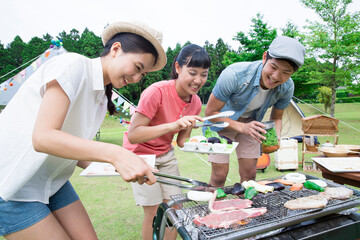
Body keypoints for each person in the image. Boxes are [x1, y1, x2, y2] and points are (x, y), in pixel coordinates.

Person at [0, 21, 167, 240]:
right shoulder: (73, 65)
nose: (136, 79)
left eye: (142, 74)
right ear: (115, 49)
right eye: (137, 68)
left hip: (53, 182)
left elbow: (76, 152)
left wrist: (127, 164)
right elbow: (42, 138)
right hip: (13, 184)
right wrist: (116, 153)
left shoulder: (101, 97)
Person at [123, 44, 211, 240]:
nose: (198, 80)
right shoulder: (157, 92)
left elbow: (181, 141)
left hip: (165, 154)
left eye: (203, 74)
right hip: (140, 155)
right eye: (193, 72)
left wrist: (201, 141)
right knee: (154, 212)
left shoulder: (195, 102)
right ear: (178, 68)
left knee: (175, 208)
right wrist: (173, 125)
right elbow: (134, 134)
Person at [203, 36, 305, 186]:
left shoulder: (287, 87)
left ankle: (246, 208)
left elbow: (277, 117)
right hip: (221, 124)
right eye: (273, 67)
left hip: (251, 125)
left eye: (286, 72)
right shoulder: (234, 74)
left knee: (249, 176)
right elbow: (211, 113)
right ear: (265, 57)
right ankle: (214, 208)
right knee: (219, 176)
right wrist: (243, 127)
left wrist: (275, 137)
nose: (276, 77)